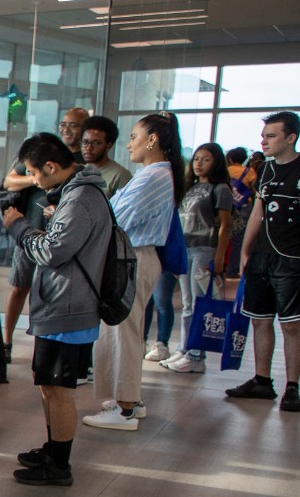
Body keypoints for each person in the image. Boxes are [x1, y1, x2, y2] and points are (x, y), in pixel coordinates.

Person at [2, 133, 113, 485]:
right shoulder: (71, 193)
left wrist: (18, 227)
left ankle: (59, 465)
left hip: (70, 306)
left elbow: (52, 251)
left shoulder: (80, 198)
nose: (34, 181)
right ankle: (53, 448)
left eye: (35, 173)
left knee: (60, 389)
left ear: (51, 166)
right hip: (60, 304)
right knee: (47, 384)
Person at [83, 112, 185, 431]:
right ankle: (129, 400)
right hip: (133, 257)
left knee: (123, 331)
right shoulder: (156, 174)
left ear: (152, 139)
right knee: (124, 330)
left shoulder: (154, 175)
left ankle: (125, 408)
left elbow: (117, 218)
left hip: (133, 258)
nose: (129, 145)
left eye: (134, 137)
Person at [1, 108, 92, 361]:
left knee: (49, 292)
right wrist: (36, 177)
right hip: (28, 231)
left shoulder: (81, 173)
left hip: (59, 240)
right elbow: (9, 181)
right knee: (20, 286)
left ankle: (43, 349)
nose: (67, 130)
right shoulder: (41, 156)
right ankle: (6, 342)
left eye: (73, 125)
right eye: (63, 124)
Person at [229, 111, 300, 412]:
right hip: (261, 257)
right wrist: (246, 252)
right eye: (264, 136)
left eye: (271, 136)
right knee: (260, 320)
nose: (264, 141)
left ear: (291, 138)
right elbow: (258, 212)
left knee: (292, 326)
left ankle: (292, 387)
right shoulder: (266, 170)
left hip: (292, 259)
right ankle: (261, 381)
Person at [160, 143, 233, 373]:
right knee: (187, 303)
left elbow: (225, 225)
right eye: (197, 159)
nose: (199, 164)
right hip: (185, 248)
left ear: (216, 162)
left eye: (206, 159)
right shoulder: (188, 188)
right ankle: (184, 349)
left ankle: (196, 355)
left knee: (199, 304)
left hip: (204, 249)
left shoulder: (220, 189)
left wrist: (219, 257)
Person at [81, 115, 133, 197]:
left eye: (96, 143)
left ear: (109, 145)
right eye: (85, 142)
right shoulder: (80, 170)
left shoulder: (120, 175)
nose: (88, 148)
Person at [225, 146, 256, 277]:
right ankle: (233, 270)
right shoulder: (250, 172)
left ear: (230, 159)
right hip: (243, 208)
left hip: (227, 207)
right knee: (238, 240)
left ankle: (221, 267)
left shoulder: (226, 171)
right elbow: (255, 190)